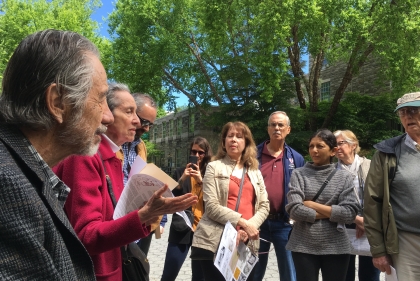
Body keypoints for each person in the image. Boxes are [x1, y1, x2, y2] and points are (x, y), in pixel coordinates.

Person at [53, 84, 197, 281]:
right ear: (106, 114)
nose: (138, 122)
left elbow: (114, 217)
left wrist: (149, 215)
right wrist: (146, 214)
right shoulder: (84, 155)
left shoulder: (112, 156)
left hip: (115, 264)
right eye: (130, 112)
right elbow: (86, 236)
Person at [0, 30, 113, 280]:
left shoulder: (23, 169)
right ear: (58, 102)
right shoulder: (6, 184)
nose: (108, 116)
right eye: (101, 99)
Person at [191, 121, 270, 280]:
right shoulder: (214, 167)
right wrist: (244, 223)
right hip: (217, 240)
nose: (234, 140)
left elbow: (264, 205)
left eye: (239, 136)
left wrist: (249, 228)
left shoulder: (255, 171)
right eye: (230, 136)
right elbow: (211, 207)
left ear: (246, 142)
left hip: (247, 242)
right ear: (224, 141)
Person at [286, 129, 360, 281]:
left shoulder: (344, 176)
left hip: (336, 246)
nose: (314, 150)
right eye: (311, 146)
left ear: (333, 151)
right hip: (303, 245)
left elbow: (349, 213)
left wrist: (312, 205)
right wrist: (332, 212)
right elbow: (294, 210)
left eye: (320, 146)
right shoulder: (299, 174)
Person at [364, 92, 420, 281]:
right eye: (403, 113)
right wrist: (378, 250)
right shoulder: (387, 153)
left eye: (413, 110)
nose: (408, 116)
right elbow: (372, 203)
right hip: (407, 241)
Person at [254, 111, 305, 281]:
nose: (277, 128)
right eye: (273, 124)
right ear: (268, 129)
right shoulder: (253, 155)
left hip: (285, 223)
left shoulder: (296, 158)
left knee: (289, 272)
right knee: (253, 271)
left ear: (288, 129)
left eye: (280, 125)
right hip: (256, 223)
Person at [116, 92, 166, 255]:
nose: (145, 128)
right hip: (116, 227)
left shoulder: (141, 146)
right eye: (144, 121)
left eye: (150, 124)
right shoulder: (111, 142)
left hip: (139, 228)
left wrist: (160, 219)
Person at [161, 137, 212, 281]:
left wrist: (202, 180)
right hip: (181, 229)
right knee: (168, 275)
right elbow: (169, 197)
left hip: (203, 232)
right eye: (193, 152)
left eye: (200, 152)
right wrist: (182, 178)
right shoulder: (179, 172)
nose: (196, 156)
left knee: (199, 277)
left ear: (206, 154)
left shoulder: (211, 173)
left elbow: (214, 200)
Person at [333, 130, 380, 281]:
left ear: (353, 145)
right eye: (334, 145)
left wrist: (366, 221)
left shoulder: (370, 165)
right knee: (344, 274)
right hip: (343, 228)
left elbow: (381, 196)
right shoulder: (332, 171)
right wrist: (356, 220)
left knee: (370, 274)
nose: (337, 147)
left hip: (370, 226)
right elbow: (331, 202)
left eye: (341, 143)